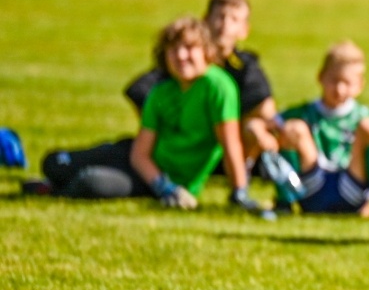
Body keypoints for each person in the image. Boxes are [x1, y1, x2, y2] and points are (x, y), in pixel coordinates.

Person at [30, 16, 270, 217]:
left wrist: (239, 192)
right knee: (54, 162)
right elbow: (140, 153)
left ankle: (51, 190)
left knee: (91, 183)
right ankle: (51, 184)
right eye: (174, 50)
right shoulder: (162, 91)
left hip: (164, 180)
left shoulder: (218, 86)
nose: (181, 56)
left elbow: (230, 144)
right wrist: (162, 187)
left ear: (206, 51)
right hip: (139, 164)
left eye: (189, 48)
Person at [126, 0, 277, 162]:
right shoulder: (187, 62)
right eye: (220, 16)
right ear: (206, 20)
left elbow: (266, 110)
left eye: (234, 19)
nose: (225, 25)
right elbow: (138, 90)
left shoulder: (243, 67)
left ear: (244, 30)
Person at [270, 41, 369, 225]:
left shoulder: (363, 116)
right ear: (321, 77)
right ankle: (284, 202)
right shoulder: (304, 112)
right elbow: (266, 125)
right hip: (311, 188)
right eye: (334, 80)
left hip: (351, 188)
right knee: (293, 128)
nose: (339, 89)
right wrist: (261, 133)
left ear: (360, 85)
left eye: (347, 83)